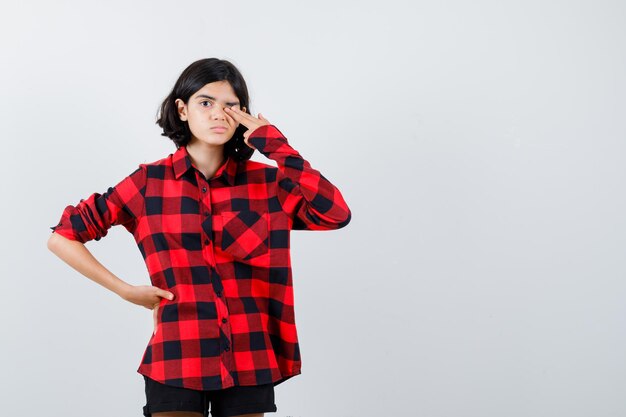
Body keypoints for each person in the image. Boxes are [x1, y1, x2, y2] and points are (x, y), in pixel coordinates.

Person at [47, 57, 352, 417]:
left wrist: (276, 146)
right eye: (206, 103)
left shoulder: (268, 185)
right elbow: (63, 237)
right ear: (183, 109)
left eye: (231, 106)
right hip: (178, 354)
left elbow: (336, 214)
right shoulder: (148, 184)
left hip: (250, 354)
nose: (218, 114)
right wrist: (126, 291)